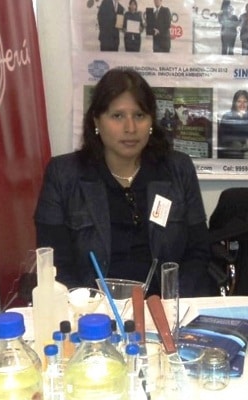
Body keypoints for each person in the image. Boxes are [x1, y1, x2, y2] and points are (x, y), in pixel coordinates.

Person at [34, 68, 217, 297]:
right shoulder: (64, 175)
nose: (130, 128)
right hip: (93, 309)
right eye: (117, 116)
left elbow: (198, 252)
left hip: (165, 305)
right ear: (96, 121)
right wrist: (91, 307)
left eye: (139, 115)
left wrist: (171, 301)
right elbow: (54, 265)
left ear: (151, 121)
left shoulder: (178, 169)